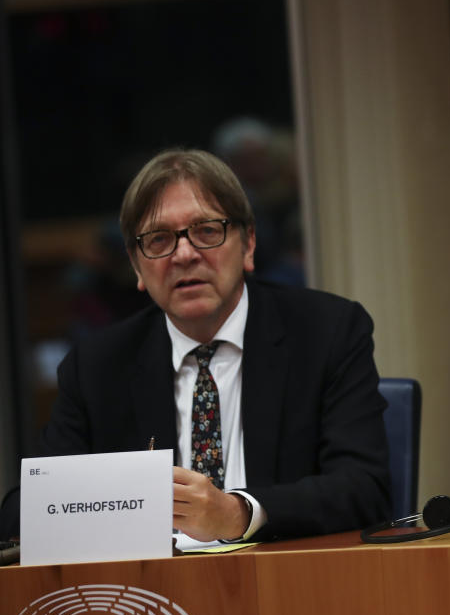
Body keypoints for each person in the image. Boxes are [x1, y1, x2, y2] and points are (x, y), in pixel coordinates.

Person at [0, 149, 390, 542]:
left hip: (285, 582)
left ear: (249, 244)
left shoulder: (326, 332)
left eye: (206, 230)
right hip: (153, 594)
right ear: (136, 266)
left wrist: (239, 513)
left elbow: (364, 488)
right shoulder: (97, 366)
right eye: (158, 239)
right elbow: (25, 513)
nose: (184, 254)